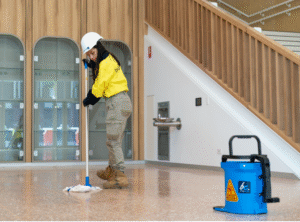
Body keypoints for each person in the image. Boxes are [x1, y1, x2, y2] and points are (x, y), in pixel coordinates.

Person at [81, 32, 132, 189]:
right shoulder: (107, 60)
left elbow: (99, 87)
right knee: (113, 140)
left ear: (99, 48)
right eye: (89, 55)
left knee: (113, 141)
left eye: (93, 53)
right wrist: (91, 65)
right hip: (120, 102)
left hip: (117, 102)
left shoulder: (106, 63)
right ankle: (111, 171)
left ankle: (119, 175)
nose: (92, 57)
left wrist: (88, 99)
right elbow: (102, 75)